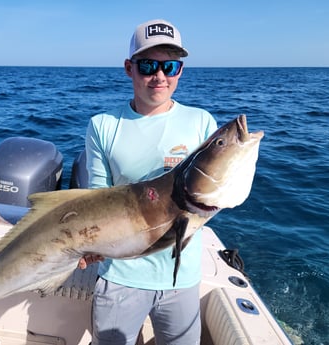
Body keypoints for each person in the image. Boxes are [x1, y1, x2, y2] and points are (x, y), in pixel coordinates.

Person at [79, 19, 218, 345]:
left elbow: (216, 191)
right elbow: (98, 198)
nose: (160, 76)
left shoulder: (201, 123)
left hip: (181, 276)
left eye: (170, 66)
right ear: (129, 68)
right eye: (147, 65)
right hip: (121, 277)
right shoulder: (103, 125)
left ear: (180, 70)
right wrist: (89, 244)